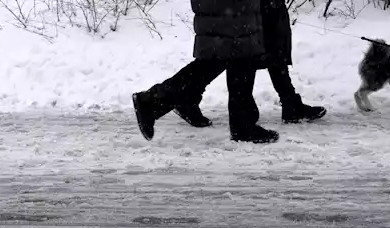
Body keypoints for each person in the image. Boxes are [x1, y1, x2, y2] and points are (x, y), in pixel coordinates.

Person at [132, 0, 325, 143]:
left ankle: (241, 124)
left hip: (227, 7)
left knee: (232, 57)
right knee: (231, 56)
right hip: (229, 7)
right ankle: (155, 100)